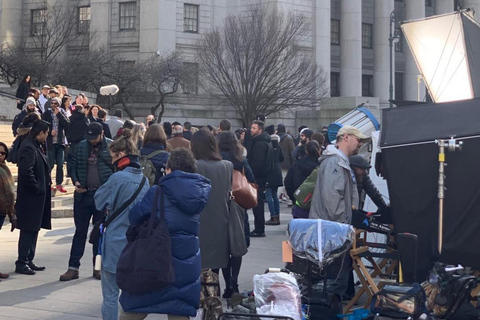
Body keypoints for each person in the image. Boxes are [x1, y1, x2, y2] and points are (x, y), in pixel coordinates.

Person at [119, 148, 211, 320]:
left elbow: (135, 216)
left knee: (131, 312)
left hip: (154, 260)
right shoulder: (198, 193)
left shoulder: (158, 191)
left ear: (170, 169)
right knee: (178, 310)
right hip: (186, 262)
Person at [94, 130, 150, 320]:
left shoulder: (117, 178)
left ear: (120, 155)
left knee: (110, 295)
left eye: (112, 157)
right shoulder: (145, 180)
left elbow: (99, 201)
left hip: (114, 244)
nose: (111, 162)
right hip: (135, 246)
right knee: (131, 294)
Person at [309, 125, 369, 297]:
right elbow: (333, 200)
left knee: (335, 283)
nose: (360, 144)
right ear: (346, 137)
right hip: (333, 233)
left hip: (333, 232)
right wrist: (345, 228)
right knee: (335, 283)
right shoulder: (335, 162)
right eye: (358, 140)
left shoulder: (338, 161)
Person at [60, 122, 114, 281]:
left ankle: (97, 268)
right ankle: (73, 268)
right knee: (80, 232)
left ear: (102, 133)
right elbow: (73, 166)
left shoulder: (111, 147)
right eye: (89, 137)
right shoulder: (81, 146)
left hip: (102, 198)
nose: (92, 141)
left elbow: (116, 171)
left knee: (99, 234)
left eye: (94, 137)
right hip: (83, 196)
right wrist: (76, 182)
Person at [217, 131, 254, 298]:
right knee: (237, 245)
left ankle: (226, 285)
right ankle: (234, 281)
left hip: (220, 207)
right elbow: (252, 181)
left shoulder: (216, 161)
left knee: (224, 247)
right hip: (238, 205)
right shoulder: (241, 161)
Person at [192, 129, 233, 273]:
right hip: (221, 220)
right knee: (216, 267)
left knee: (201, 267)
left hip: (200, 221)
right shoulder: (227, 166)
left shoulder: (195, 166)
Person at [15, 120, 51, 275]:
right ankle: (22, 262)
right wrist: (36, 188)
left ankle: (29, 259)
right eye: (46, 133)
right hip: (31, 197)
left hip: (37, 197)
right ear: (41, 133)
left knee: (34, 229)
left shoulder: (37, 145)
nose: (47, 136)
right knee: (28, 230)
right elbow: (26, 171)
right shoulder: (28, 147)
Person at [247, 120, 274, 237]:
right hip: (263, 176)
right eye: (251, 128)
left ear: (260, 130)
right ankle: (259, 227)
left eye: (254, 128)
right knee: (258, 203)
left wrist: (252, 176)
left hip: (258, 177)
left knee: (257, 203)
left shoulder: (259, 144)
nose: (251, 130)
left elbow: (257, 163)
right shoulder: (265, 142)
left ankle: (259, 228)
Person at [284, 141, 321, 219]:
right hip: (317, 204)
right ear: (319, 150)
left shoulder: (297, 164)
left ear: (306, 151)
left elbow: (288, 182)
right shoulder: (321, 166)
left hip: (299, 203)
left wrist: (294, 197)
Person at [42, 97, 70, 194]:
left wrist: (59, 114)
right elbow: (42, 125)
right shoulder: (47, 113)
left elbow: (67, 124)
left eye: (56, 104)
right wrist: (49, 132)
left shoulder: (62, 112)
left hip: (60, 142)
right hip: (50, 142)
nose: (53, 105)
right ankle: (48, 183)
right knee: (49, 164)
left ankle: (59, 183)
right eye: (52, 103)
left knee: (60, 164)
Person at [0, 141, 18, 278]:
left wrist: (11, 214)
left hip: (2, 210)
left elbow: (10, 193)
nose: (1, 156)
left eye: (3, 153)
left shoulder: (4, 168)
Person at [264, 125, 284, 226]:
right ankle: (277, 216)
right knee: (275, 195)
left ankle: (272, 216)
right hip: (277, 171)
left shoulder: (268, 146)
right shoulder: (278, 147)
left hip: (270, 172)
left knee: (268, 195)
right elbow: (282, 158)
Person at [277, 124, 295, 206]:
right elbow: (292, 152)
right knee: (286, 182)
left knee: (281, 182)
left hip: (277, 163)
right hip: (287, 163)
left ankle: (278, 198)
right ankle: (288, 200)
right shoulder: (288, 138)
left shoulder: (274, 138)